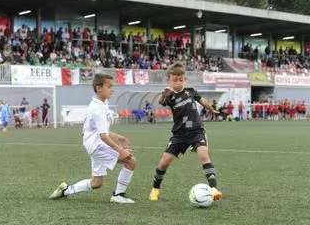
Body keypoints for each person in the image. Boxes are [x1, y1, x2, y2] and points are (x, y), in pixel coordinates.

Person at [49, 73, 137, 204]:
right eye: (109, 86)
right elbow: (103, 136)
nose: (112, 89)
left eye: (112, 86)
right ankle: (118, 195)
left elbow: (100, 130)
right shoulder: (97, 108)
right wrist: (121, 151)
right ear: (98, 88)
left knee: (97, 182)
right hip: (97, 145)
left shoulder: (102, 103)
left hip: (94, 144)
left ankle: (65, 190)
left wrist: (116, 136)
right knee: (131, 162)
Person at [149, 62, 222, 202]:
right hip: (179, 135)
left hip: (196, 131)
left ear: (185, 79)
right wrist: (164, 95)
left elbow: (202, 100)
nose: (178, 82)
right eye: (175, 80)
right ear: (169, 80)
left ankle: (213, 189)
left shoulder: (190, 91)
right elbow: (161, 101)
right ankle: (155, 188)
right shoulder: (169, 96)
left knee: (203, 154)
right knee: (164, 162)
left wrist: (211, 108)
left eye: (181, 79)